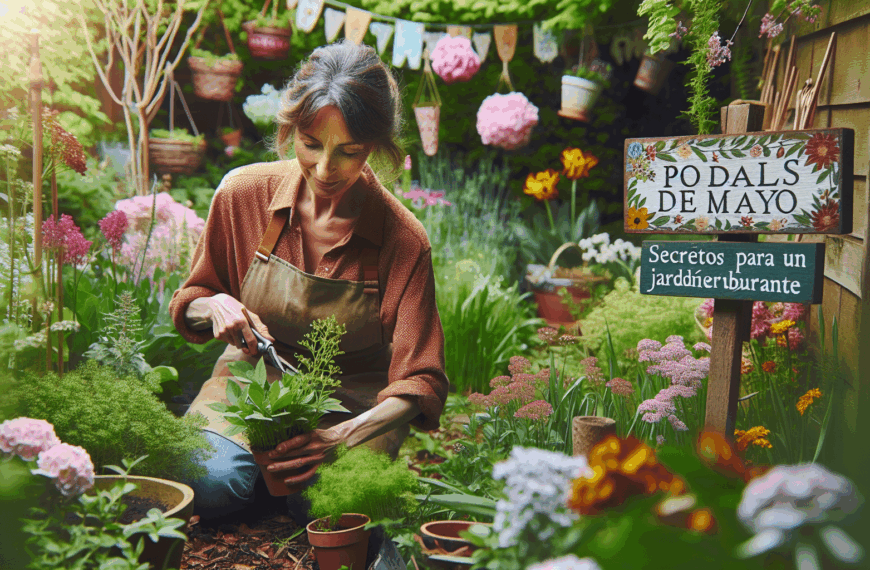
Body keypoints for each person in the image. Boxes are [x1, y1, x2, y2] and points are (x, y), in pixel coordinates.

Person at [168, 39, 449, 521]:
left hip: (351, 408)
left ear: (376, 146)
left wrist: (338, 436)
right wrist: (216, 306)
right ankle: (250, 476)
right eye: (311, 145)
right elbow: (191, 297)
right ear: (290, 130)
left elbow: (420, 380)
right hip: (247, 389)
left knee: (330, 506)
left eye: (349, 151)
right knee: (211, 485)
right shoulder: (243, 195)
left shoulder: (403, 240)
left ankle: (276, 488)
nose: (324, 168)